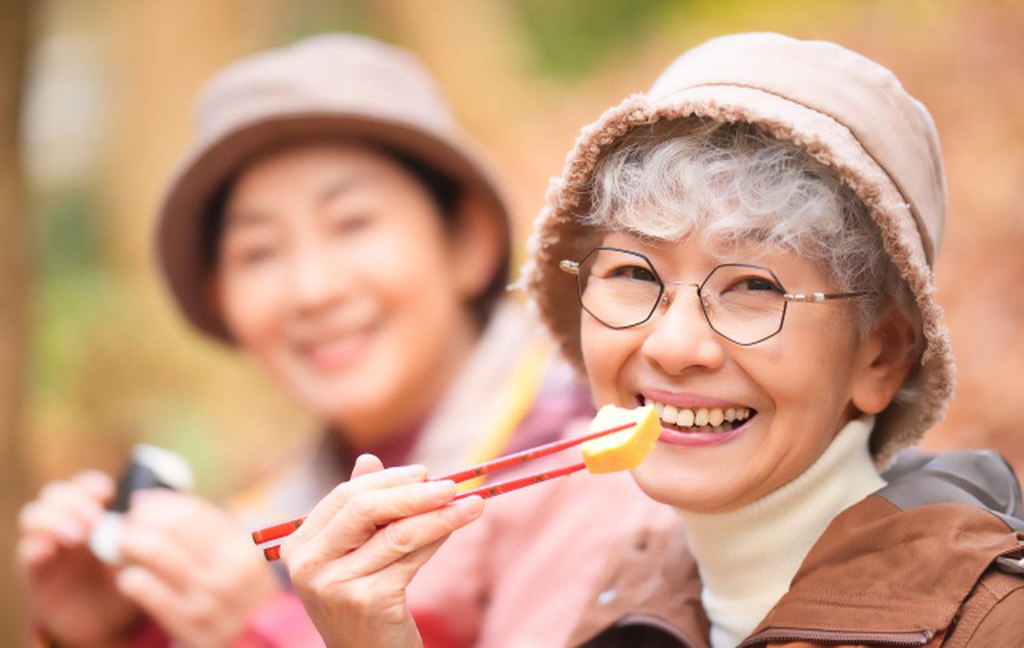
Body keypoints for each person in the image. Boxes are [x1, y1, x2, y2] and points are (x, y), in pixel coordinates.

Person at [279, 32, 1024, 647]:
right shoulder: (620, 605)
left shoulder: (991, 625)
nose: (673, 346)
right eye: (634, 273)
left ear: (880, 355)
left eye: (755, 287)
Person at [16, 34, 672, 648]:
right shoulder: (267, 518)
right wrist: (122, 628)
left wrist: (263, 627)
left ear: (466, 240)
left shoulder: (597, 463)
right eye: (258, 250)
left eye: (351, 223)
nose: (312, 289)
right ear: (221, 298)